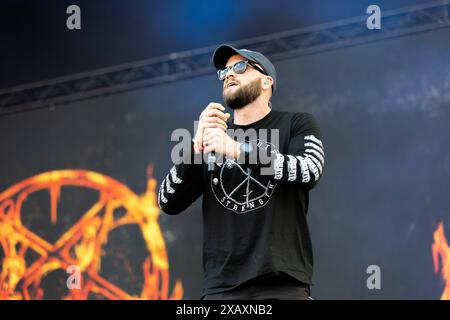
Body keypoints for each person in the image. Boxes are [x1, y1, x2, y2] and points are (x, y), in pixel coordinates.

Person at [158, 44, 325, 300]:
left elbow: (308, 170)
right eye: (224, 71)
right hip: (221, 289)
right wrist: (196, 144)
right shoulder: (210, 139)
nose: (229, 74)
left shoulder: (296, 123)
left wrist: (237, 150)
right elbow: (167, 202)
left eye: (240, 66)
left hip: (282, 283)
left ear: (267, 82)